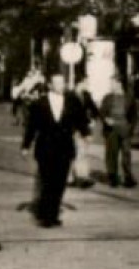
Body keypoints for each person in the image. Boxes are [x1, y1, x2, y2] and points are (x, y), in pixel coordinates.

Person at [20, 73, 91, 228]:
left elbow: (81, 120)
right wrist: (25, 146)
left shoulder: (72, 102)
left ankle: (53, 214)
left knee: (59, 182)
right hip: (45, 148)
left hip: (65, 148)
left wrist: (86, 135)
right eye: (57, 83)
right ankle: (45, 216)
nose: (61, 85)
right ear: (50, 86)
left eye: (62, 82)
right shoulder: (40, 103)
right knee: (46, 181)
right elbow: (32, 127)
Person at [98, 75, 139, 188]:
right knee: (112, 154)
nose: (111, 85)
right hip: (111, 130)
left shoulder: (129, 97)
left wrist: (131, 128)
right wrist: (106, 119)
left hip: (124, 129)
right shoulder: (107, 98)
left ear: (118, 84)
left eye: (112, 83)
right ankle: (113, 177)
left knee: (126, 154)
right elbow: (101, 112)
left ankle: (128, 177)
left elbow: (134, 114)